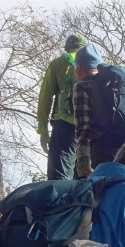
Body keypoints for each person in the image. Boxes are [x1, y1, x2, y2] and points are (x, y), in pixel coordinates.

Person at [72, 43, 125, 176]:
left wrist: (83, 159)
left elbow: (83, 126)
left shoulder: (82, 86)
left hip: (104, 150)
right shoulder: (117, 83)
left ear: (79, 68)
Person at [37, 33, 87, 180]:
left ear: (67, 48)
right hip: (90, 129)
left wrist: (43, 129)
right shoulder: (94, 64)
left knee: (59, 179)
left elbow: (45, 97)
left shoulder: (59, 63)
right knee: (85, 179)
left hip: (64, 124)